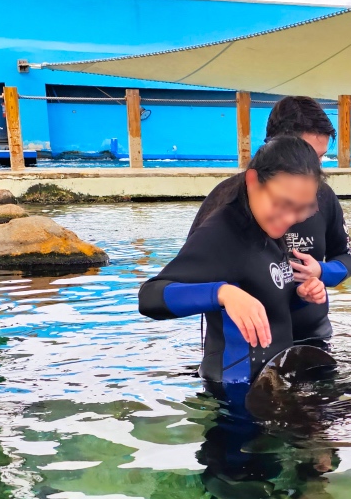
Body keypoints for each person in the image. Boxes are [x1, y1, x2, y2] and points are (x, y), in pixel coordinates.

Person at [139, 136, 329, 388]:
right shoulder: (222, 232)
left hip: (271, 383)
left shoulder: (268, 228)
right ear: (252, 182)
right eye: (282, 204)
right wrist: (222, 293)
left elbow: (267, 298)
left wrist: (300, 295)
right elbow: (150, 297)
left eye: (300, 209)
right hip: (234, 393)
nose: (289, 217)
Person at [190, 96, 351, 346]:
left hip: (313, 338)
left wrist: (321, 271)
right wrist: (226, 292)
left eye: (320, 158)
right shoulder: (228, 200)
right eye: (307, 155)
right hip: (243, 346)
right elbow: (190, 277)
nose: (315, 168)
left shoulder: (323, 195)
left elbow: (347, 257)